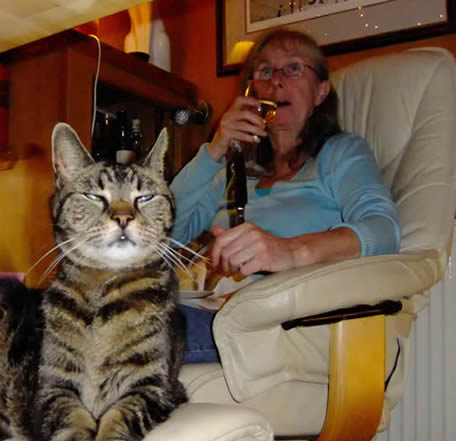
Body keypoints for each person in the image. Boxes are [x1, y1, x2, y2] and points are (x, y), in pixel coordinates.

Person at [171, 29, 400, 363]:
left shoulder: (341, 153)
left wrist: (290, 251)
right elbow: (165, 235)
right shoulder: (233, 173)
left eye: (293, 68)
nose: (276, 81)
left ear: (320, 92)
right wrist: (215, 150)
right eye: (264, 71)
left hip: (286, 323)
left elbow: (384, 229)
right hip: (216, 311)